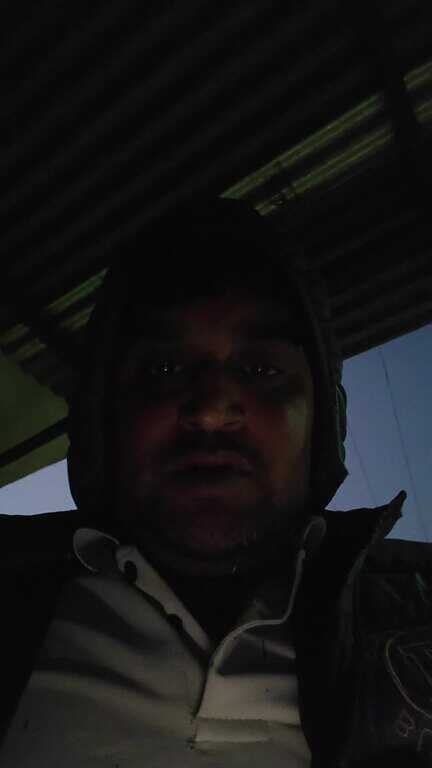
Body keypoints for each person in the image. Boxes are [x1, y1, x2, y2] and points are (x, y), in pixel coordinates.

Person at [0, 199, 430, 767]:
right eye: (163, 369)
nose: (210, 410)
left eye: (262, 370)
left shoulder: (415, 614)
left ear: (323, 423)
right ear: (105, 417)